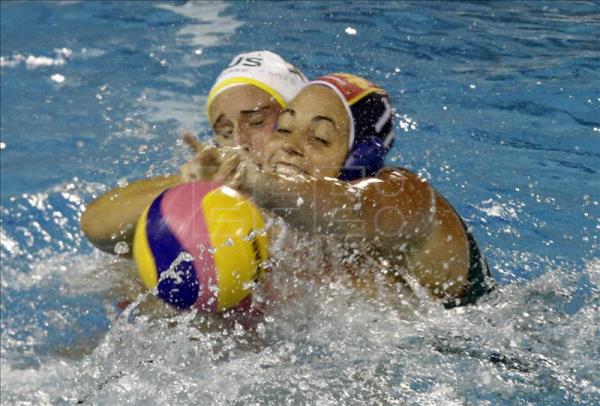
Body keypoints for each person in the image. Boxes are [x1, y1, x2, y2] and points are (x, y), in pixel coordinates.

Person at [190, 73, 494, 307]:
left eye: (320, 138)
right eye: (283, 129)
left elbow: (352, 209)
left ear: (360, 156)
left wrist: (258, 185)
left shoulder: (407, 197)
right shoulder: (274, 220)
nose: (289, 147)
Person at [80, 51, 307, 256]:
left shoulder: (330, 198)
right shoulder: (214, 203)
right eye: (226, 132)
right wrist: (189, 187)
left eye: (256, 123)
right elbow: (96, 226)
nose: (239, 141)